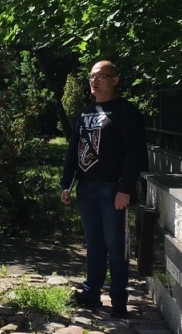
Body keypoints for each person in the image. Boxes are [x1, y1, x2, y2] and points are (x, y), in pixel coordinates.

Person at [60, 60, 147, 319]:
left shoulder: (126, 112)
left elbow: (135, 153)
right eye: (91, 77)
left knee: (116, 246)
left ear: (115, 80)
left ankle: (119, 300)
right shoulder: (85, 113)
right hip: (86, 189)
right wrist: (67, 183)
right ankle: (91, 293)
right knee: (94, 243)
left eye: (100, 76)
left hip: (113, 190)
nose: (94, 81)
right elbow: (74, 150)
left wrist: (126, 188)